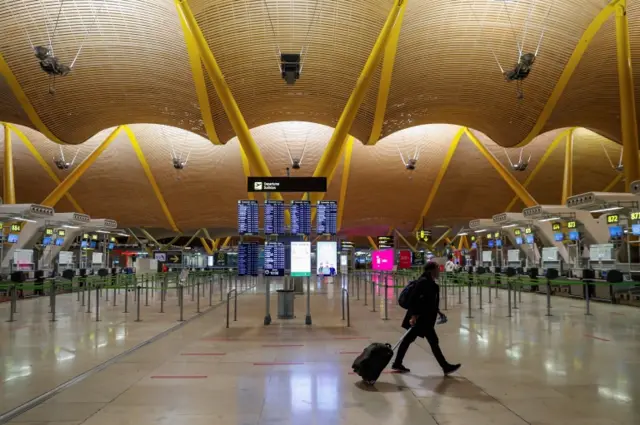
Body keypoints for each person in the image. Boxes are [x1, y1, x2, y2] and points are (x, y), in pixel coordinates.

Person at [392, 262, 461, 375]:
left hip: (423, 318)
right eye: (437, 269)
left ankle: (397, 362)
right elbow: (415, 299)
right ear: (431, 270)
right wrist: (413, 316)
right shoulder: (423, 282)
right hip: (420, 319)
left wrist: (438, 311)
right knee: (432, 341)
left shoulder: (428, 282)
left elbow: (428, 301)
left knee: (410, 340)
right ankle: (445, 367)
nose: (439, 271)